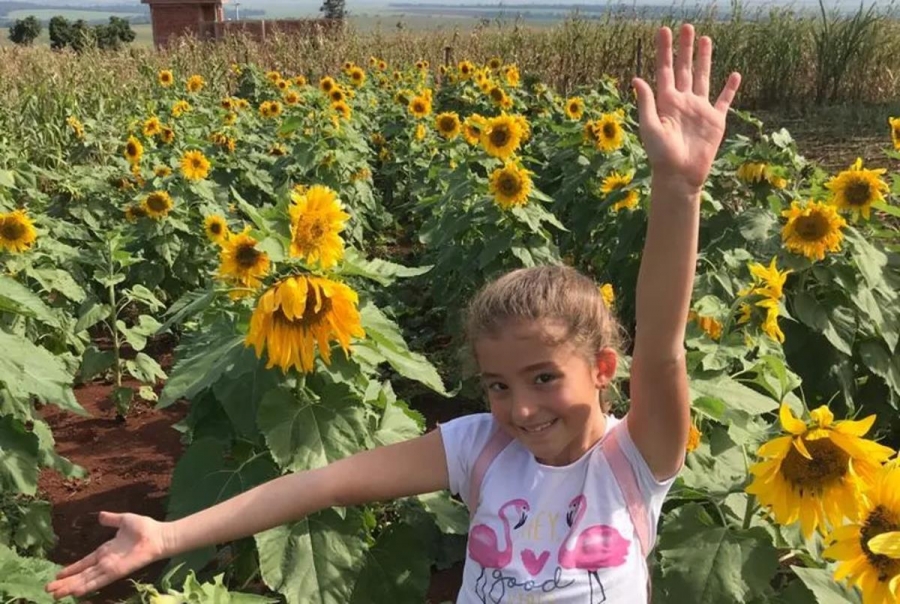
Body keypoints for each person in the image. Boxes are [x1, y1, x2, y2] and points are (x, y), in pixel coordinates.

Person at [46, 23, 740, 603]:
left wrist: (677, 189)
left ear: (602, 369)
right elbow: (321, 483)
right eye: (498, 385)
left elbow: (665, 348)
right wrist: (169, 535)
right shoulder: (482, 449)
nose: (521, 408)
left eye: (543, 378)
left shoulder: (636, 459)